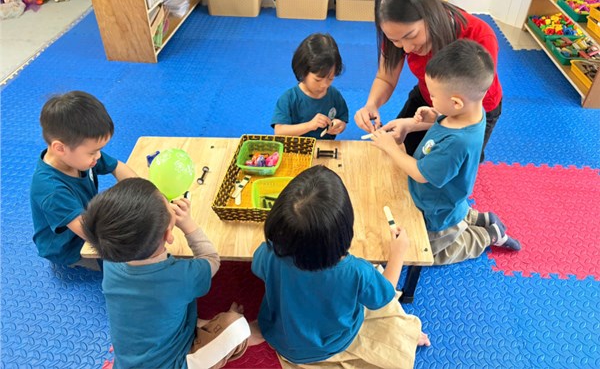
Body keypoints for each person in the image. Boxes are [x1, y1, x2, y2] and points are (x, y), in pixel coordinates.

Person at [252, 165, 430, 369]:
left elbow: (258, 269)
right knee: (394, 321)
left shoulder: (268, 252)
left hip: (279, 337)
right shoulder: (356, 271)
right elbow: (384, 296)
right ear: (344, 231)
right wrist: (398, 253)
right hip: (334, 343)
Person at [82, 178, 263, 369]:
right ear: (169, 235)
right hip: (173, 364)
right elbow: (211, 259)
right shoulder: (180, 276)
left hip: (128, 362)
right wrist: (188, 225)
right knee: (237, 326)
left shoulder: (111, 263)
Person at [370, 40, 520, 265]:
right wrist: (417, 122)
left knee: (427, 253)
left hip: (436, 211)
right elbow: (447, 124)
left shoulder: (456, 142)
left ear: (456, 103)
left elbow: (420, 173)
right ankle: (477, 217)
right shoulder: (471, 112)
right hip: (447, 197)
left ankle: (488, 235)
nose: (430, 99)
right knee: (454, 207)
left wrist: (391, 148)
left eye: (433, 95)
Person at [355, 0, 503, 161]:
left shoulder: (478, 34)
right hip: (429, 97)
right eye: (395, 40)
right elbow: (385, 78)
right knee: (398, 149)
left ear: (430, 15)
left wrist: (412, 124)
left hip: (470, 109)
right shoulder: (396, 31)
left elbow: (462, 113)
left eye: (411, 36)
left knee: (450, 164)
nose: (406, 48)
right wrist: (371, 105)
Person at [30, 90, 136, 269]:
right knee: (132, 265)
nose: (98, 156)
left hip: (86, 217)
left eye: (99, 149)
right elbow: (92, 234)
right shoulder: (51, 190)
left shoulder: (80, 156)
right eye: (93, 152)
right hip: (69, 247)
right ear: (60, 148)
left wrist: (148, 195)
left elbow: (118, 167)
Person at [272, 33, 349, 139]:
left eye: (330, 78)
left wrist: (340, 126)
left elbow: (342, 119)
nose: (324, 85)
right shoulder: (289, 98)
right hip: (297, 147)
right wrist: (309, 125)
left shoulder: (334, 95)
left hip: (326, 146)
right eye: (318, 80)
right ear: (303, 72)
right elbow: (279, 131)